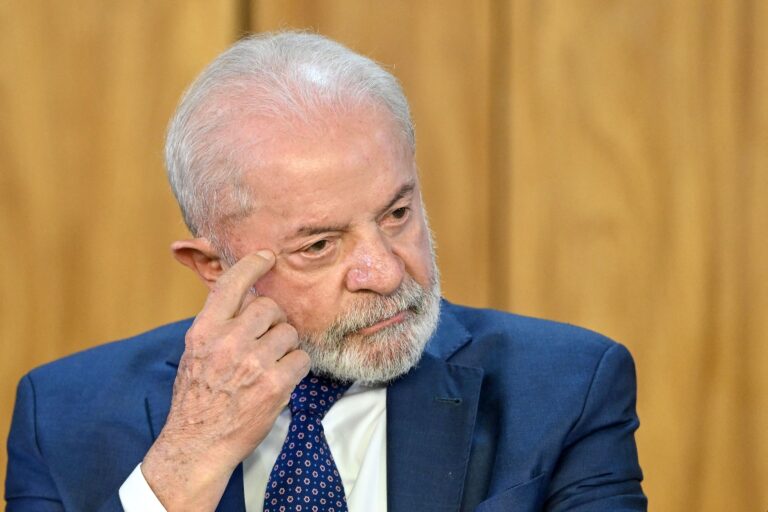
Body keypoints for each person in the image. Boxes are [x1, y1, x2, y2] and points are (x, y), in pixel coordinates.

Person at [5, 32, 646, 511]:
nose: (385, 272)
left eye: (397, 214)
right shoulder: (62, 417)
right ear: (214, 265)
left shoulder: (566, 388)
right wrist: (185, 464)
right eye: (318, 246)